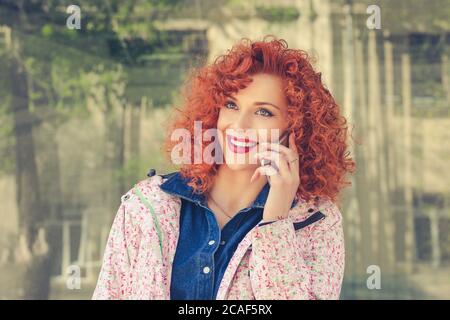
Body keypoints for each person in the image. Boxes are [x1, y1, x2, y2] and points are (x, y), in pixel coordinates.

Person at [92, 36, 355, 300]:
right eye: (231, 105)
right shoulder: (146, 206)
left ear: (296, 128)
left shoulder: (317, 222)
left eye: (264, 112)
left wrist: (276, 220)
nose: (239, 126)